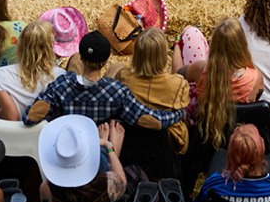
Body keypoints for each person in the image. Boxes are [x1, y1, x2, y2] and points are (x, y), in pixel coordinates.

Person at [25, 30, 184, 132]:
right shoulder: (118, 91)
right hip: (100, 139)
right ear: (106, 60)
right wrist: (179, 114)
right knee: (118, 68)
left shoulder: (62, 84)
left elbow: (30, 117)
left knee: (72, 68)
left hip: (70, 137)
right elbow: (152, 120)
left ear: (81, 56)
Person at [175, 17, 263, 153]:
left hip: (205, 131)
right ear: (242, 44)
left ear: (213, 45)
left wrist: (176, 44)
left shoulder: (201, 70)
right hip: (238, 137)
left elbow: (176, 73)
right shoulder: (256, 77)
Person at [116, 28, 192, 154]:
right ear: (163, 55)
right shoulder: (179, 83)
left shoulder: (122, 76)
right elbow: (183, 111)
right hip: (168, 145)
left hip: (130, 141)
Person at [0, 18, 62, 121]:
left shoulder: (0, 75)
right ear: (50, 48)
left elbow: (13, 119)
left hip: (16, 134)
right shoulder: (60, 76)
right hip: (45, 134)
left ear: (20, 44)